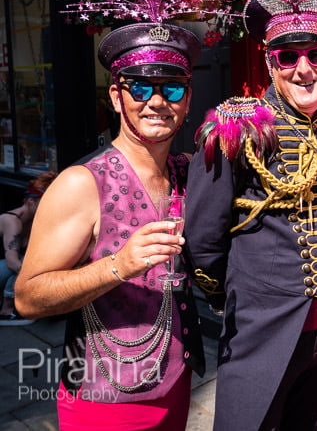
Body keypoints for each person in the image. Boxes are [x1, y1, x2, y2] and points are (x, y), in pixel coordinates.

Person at [14, 22, 206, 429]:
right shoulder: (81, 184)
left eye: (171, 88)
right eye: (139, 88)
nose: (156, 101)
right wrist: (117, 264)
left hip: (177, 383)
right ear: (117, 97)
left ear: (187, 100)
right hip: (105, 401)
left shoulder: (188, 171)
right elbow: (28, 298)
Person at [185, 0, 317, 431]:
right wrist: (243, 300)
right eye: (287, 56)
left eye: (316, 54)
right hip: (262, 333)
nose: (304, 69)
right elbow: (202, 240)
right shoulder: (236, 129)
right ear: (269, 63)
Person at [0, 171, 56, 325]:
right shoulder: (12, 220)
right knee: (26, 264)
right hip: (4, 266)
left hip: (4, 268)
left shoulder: (33, 222)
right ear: (31, 201)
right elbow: (12, 262)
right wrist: (40, 280)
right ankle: (7, 309)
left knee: (33, 260)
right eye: (43, 204)